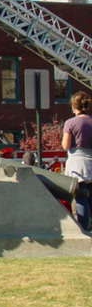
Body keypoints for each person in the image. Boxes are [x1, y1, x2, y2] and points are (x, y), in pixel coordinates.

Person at [61, 90, 92, 230]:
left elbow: (65, 145)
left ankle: (84, 229)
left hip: (77, 163)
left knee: (81, 197)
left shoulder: (70, 123)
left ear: (74, 106)